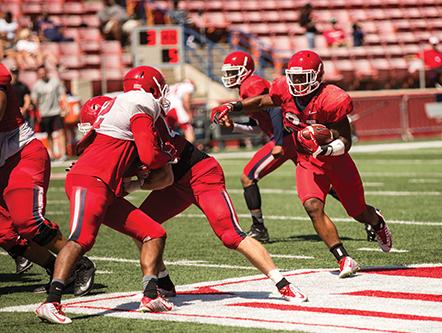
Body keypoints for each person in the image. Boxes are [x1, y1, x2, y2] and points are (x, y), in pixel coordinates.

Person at [76, 93, 308, 303]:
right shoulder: (122, 137)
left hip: (201, 175)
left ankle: (282, 283)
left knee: (230, 235)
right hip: (176, 183)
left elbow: (164, 177)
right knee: (142, 227)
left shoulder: (143, 129)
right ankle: (164, 282)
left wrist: (131, 185)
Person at [211, 50, 393, 278]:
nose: (296, 82)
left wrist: (323, 147)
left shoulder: (331, 98)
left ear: (317, 76)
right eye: (294, 77)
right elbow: (264, 101)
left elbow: (345, 141)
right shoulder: (284, 89)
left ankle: (376, 222)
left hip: (335, 160)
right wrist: (233, 107)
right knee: (312, 207)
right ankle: (343, 258)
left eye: (302, 77)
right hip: (307, 160)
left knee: (357, 211)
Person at [35, 66, 176, 324]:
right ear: (153, 87)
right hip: (92, 181)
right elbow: (148, 156)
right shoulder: (141, 101)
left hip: (103, 184)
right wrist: (166, 155)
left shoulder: (120, 103)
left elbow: (111, 151)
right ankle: (51, 302)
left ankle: (150, 295)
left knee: (154, 233)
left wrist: (134, 177)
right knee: (81, 239)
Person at [0, 63, 95, 297]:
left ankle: (79, 263)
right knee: (4, 233)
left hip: (19, 155)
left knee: (28, 221)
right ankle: (58, 269)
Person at [218, 51, 294, 243]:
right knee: (321, 185)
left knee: (248, 177)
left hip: (285, 138)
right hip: (287, 137)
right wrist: (233, 127)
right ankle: (367, 217)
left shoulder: (252, 84)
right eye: (228, 72)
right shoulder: (246, 87)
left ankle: (259, 228)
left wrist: (278, 142)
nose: (229, 76)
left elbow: (274, 108)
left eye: (234, 72)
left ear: (245, 71)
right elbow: (258, 128)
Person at [31, 66, 67, 160]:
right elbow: (35, 100)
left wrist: (64, 106)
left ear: (46, 72)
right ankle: (52, 155)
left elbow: (62, 94)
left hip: (56, 111)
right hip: (44, 113)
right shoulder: (36, 86)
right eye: (40, 73)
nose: (42, 74)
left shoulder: (55, 81)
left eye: (43, 72)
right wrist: (37, 112)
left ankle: (63, 153)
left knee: (61, 132)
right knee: (49, 134)